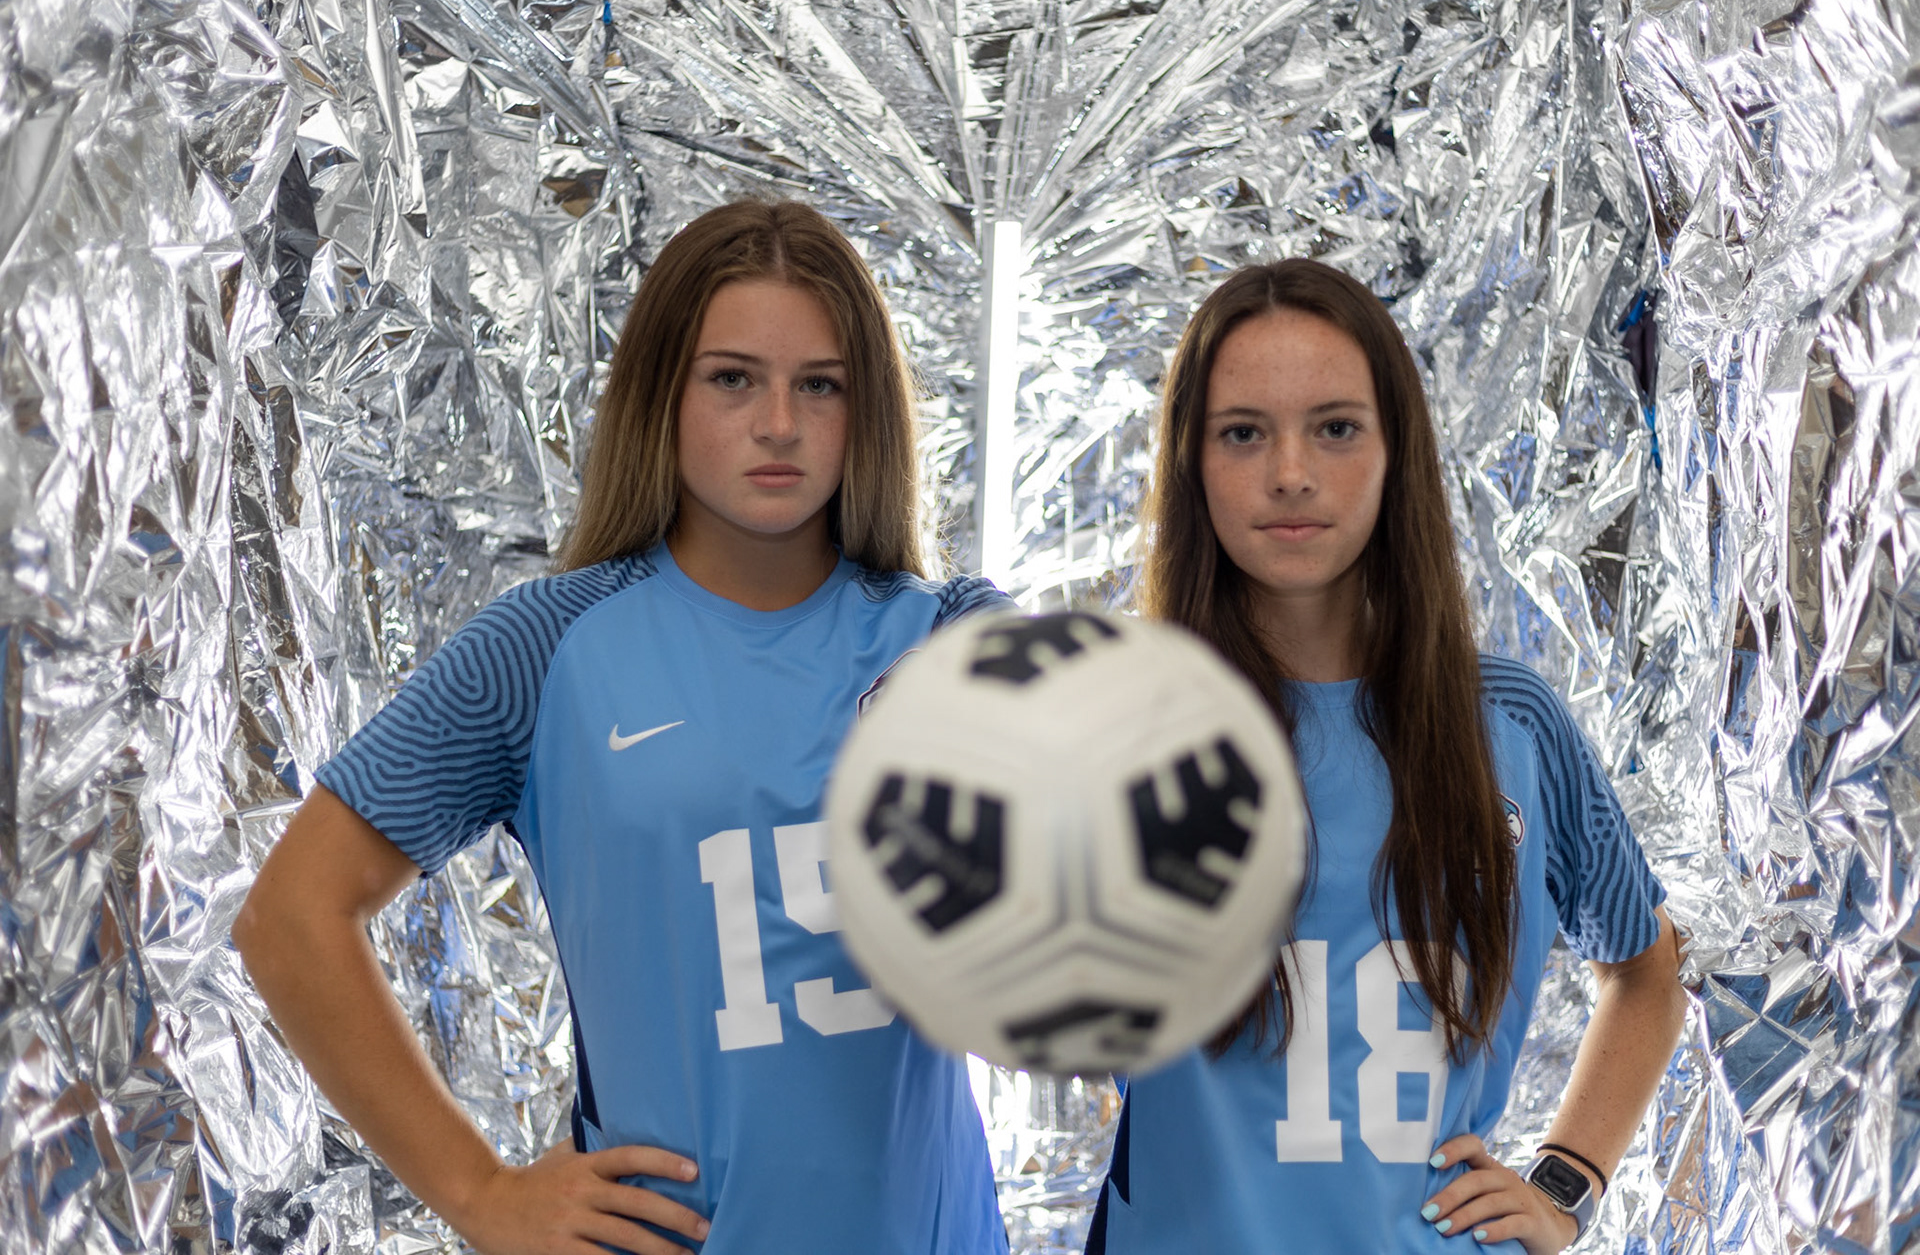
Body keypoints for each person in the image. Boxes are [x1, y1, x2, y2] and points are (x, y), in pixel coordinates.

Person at [234, 199, 1012, 1255]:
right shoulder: (550, 647)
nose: (779, 423)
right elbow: (290, 916)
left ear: (866, 407)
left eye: (819, 384)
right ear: (662, 393)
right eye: (733, 378)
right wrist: (480, 1191)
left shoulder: (954, 633)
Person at [1085, 259, 1687, 1255]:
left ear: (1395, 447)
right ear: (1191, 461)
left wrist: (1565, 1186)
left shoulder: (1511, 722)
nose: (1290, 471)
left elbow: (1649, 970)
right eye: (1243, 431)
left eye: (1334, 426)